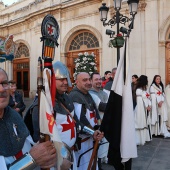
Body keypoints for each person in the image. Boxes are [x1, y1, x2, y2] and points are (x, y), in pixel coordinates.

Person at [24, 62, 103, 170]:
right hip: (55, 162)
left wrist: (92, 133)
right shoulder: (41, 106)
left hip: (70, 155)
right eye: (61, 79)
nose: (66, 82)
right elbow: (40, 140)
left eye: (66, 79)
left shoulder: (67, 99)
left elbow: (76, 124)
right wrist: (59, 158)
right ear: (52, 80)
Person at [0, 68, 57, 169]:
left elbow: (28, 146)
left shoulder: (13, 115)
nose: (2, 89)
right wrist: (31, 159)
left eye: (4, 83)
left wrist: (44, 152)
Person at [69, 72, 104, 170]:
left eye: (89, 79)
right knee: (84, 165)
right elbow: (80, 119)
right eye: (84, 80)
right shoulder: (75, 96)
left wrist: (99, 128)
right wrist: (93, 132)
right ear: (76, 82)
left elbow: (96, 113)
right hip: (83, 140)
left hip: (92, 137)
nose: (88, 82)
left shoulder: (87, 94)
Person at [89, 72, 109, 168]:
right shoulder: (90, 94)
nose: (99, 81)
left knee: (103, 145)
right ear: (91, 81)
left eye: (100, 79)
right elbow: (102, 106)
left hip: (105, 121)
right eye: (96, 79)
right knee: (98, 146)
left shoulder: (104, 93)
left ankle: (101, 162)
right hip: (97, 123)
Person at [134, 75, 152, 145]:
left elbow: (148, 97)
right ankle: (139, 139)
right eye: (146, 80)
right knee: (140, 121)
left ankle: (145, 138)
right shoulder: (138, 90)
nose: (147, 81)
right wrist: (146, 106)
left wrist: (149, 105)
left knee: (145, 122)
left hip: (146, 107)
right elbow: (140, 100)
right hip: (140, 108)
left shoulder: (145, 89)